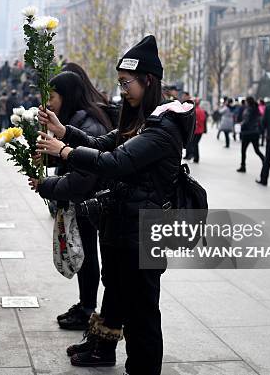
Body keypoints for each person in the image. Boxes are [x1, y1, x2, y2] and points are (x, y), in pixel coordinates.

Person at [36, 35, 195, 374]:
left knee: (143, 315)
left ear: (148, 80)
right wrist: (64, 132)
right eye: (120, 82)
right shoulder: (137, 120)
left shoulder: (162, 128)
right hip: (123, 227)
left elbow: (115, 163)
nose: (122, 89)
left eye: (127, 83)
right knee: (120, 296)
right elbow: (100, 143)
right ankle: (105, 349)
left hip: (144, 231)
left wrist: (63, 152)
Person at [28, 71, 111, 331]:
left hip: (92, 202)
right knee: (86, 255)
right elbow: (72, 157)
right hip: (86, 201)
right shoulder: (78, 120)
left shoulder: (90, 123)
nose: (49, 103)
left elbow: (84, 176)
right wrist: (49, 157)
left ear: (68, 96)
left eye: (52, 97)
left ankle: (88, 310)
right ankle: (86, 306)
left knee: (89, 257)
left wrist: (47, 186)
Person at [236, 96, 265, 173]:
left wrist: (242, 124)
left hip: (247, 133)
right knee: (257, 150)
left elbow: (246, 120)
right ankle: (265, 161)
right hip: (255, 132)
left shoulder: (249, 109)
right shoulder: (256, 109)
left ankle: (243, 166)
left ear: (248, 102)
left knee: (243, 150)